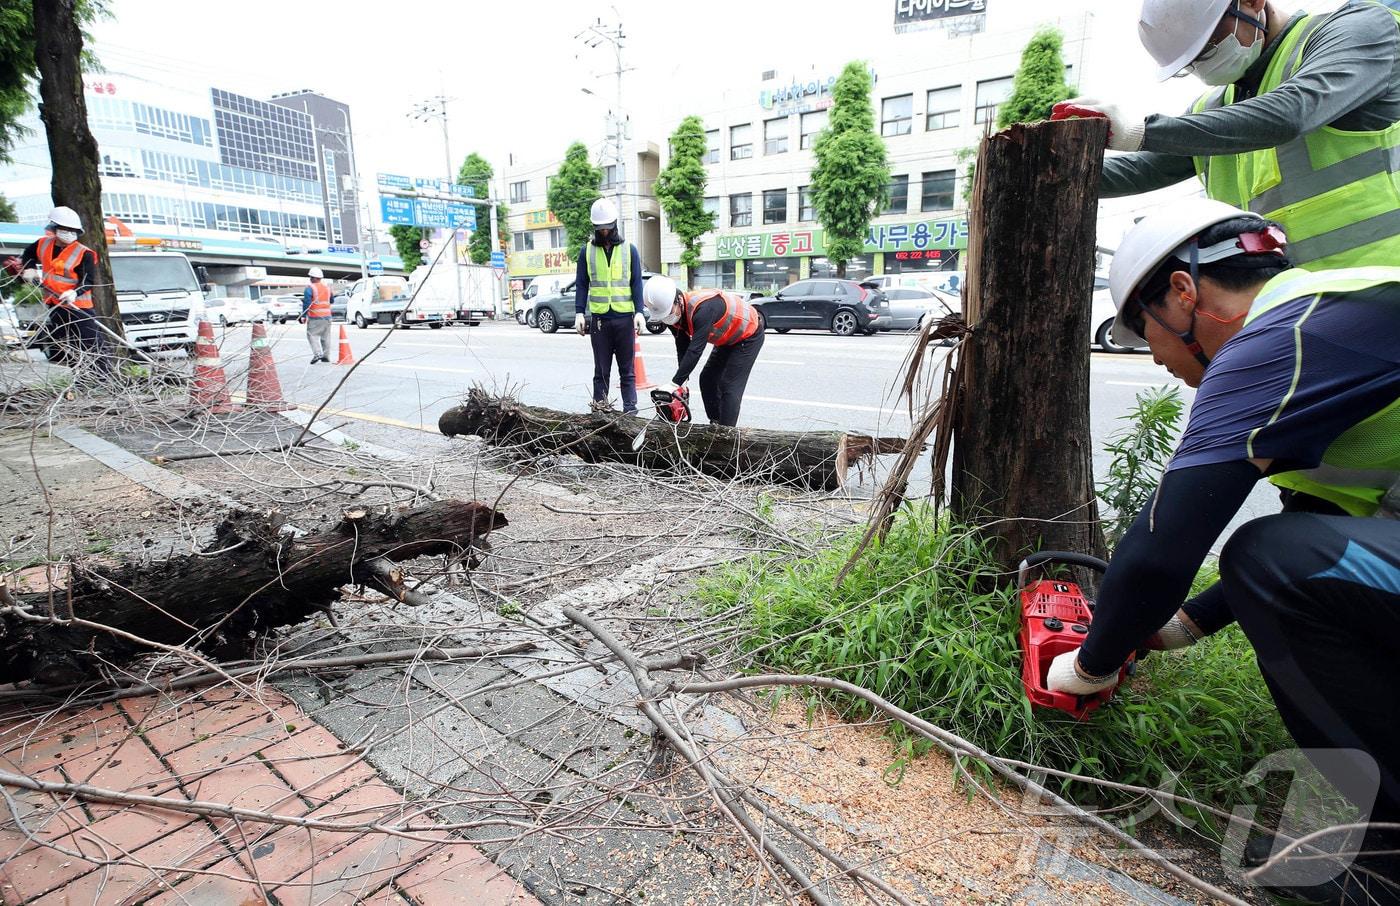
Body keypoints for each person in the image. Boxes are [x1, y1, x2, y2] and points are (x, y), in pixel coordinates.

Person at [1046, 198, 1400, 902]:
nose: (1151, 353)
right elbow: (1329, 524)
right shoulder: (1335, 313)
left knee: (1263, 552)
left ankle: (1388, 861)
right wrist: (1180, 627)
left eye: (1145, 329)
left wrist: (1088, 666)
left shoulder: (1276, 341)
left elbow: (1158, 554)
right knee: (1287, 553)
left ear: (1184, 293)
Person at [1052, 0, 1400, 270]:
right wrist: (1036, 170)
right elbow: (1141, 169)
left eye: (1209, 45)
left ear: (1252, 3)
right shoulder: (1213, 109)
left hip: (1378, 285)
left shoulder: (1359, 29)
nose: (1203, 65)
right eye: (1190, 62)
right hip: (1287, 301)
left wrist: (1140, 130)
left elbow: (1291, 113)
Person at [642, 276, 764, 428]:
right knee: (707, 378)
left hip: (748, 334)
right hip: (726, 339)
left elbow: (695, 349)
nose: (667, 319)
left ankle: (727, 435)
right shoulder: (673, 315)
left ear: (678, 300)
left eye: (668, 313)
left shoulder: (704, 308)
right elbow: (682, 346)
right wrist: (683, 382)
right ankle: (716, 422)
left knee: (729, 385)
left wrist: (675, 383)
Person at [574, 198, 645, 414]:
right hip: (600, 321)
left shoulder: (629, 250)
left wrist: (640, 312)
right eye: (599, 228)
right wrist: (579, 312)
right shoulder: (586, 251)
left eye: (607, 227)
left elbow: (636, 283)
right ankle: (600, 411)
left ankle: (630, 412)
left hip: (624, 319)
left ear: (614, 225)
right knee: (601, 371)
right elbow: (581, 284)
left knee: (627, 371)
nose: (604, 232)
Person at [18, 206, 110, 372]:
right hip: (54, 303)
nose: (68, 233)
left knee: (92, 344)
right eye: (64, 229)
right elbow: (28, 254)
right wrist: (29, 268)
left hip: (79, 307)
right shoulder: (43, 244)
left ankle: (105, 378)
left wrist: (74, 292)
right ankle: (80, 378)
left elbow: (88, 280)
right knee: (67, 345)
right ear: (54, 228)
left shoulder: (84, 253)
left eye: (72, 230)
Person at [300, 267, 334, 364]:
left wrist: (303, 315)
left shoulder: (310, 288)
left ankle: (317, 353)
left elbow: (307, 302)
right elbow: (331, 300)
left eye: (311, 277)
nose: (310, 279)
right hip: (327, 317)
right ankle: (326, 356)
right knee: (326, 337)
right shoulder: (327, 288)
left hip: (315, 316)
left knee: (312, 335)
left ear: (314, 278)